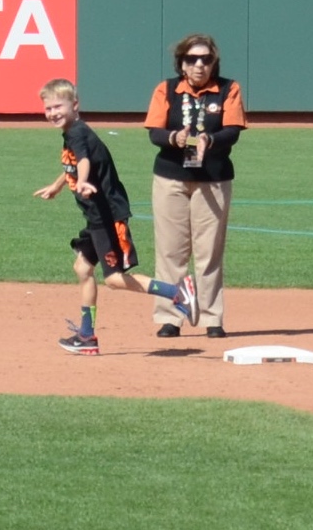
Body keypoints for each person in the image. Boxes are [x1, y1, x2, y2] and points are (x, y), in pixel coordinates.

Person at [34, 80, 198, 355]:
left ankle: (177, 293)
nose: (53, 113)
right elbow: (73, 162)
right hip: (96, 218)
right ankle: (87, 336)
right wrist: (57, 185)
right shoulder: (73, 133)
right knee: (83, 269)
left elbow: (83, 161)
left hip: (107, 218)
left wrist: (83, 181)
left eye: (58, 106)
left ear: (75, 105)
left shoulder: (77, 133)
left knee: (114, 279)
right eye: (48, 108)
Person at [144, 34, 248, 339]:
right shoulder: (167, 89)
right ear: (182, 63)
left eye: (206, 59)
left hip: (213, 180)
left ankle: (212, 318)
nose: (199, 65)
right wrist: (174, 138)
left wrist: (209, 139)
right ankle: (170, 317)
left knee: (209, 251)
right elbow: (154, 132)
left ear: (214, 62)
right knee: (170, 251)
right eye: (192, 59)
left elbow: (233, 130)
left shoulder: (228, 89)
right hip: (170, 178)